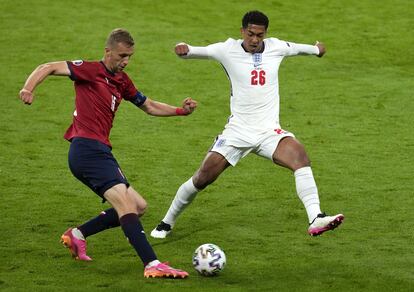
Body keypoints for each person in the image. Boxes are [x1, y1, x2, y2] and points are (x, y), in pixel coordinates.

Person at [19, 28, 197, 278]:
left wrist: (181, 111)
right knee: (125, 205)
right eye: (122, 55)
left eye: (130, 57)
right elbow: (47, 66)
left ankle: (77, 234)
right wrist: (29, 89)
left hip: (100, 151)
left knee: (138, 206)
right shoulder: (89, 70)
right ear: (108, 51)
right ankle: (152, 264)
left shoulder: (122, 81)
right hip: (86, 150)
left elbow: (149, 106)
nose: (125, 61)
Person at [151, 11, 344, 239]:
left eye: (259, 35)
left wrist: (317, 49)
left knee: (300, 156)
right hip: (237, 132)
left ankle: (316, 217)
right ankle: (166, 222)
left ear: (265, 34)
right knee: (203, 177)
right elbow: (193, 51)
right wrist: (183, 48)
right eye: (250, 34)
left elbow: (301, 48)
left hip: (269, 131)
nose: (254, 40)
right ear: (242, 31)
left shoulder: (276, 47)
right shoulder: (227, 50)